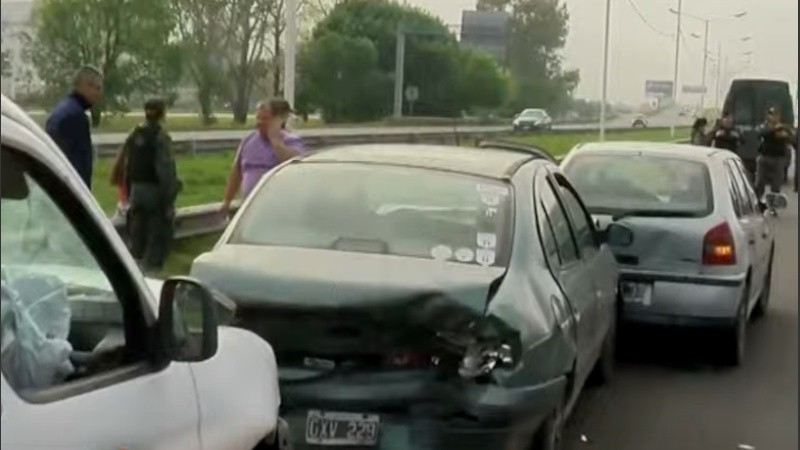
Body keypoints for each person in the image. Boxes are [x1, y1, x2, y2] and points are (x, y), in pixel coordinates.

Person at [112, 99, 181, 272]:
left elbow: (126, 165)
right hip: (155, 192)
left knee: (137, 237)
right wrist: (169, 200)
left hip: (136, 192)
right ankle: (152, 275)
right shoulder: (161, 137)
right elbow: (165, 171)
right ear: (163, 113)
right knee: (158, 238)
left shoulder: (135, 133)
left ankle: (136, 272)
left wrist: (128, 193)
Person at [220, 98, 306, 216]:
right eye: (258, 118)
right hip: (249, 210)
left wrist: (275, 141)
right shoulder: (249, 140)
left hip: (278, 212)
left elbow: (296, 166)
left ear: (278, 121)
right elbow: (237, 171)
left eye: (265, 119)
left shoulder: (291, 141)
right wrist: (227, 201)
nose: (259, 122)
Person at [45, 66, 103, 188]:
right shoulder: (75, 116)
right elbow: (78, 165)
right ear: (86, 86)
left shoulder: (62, 110)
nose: (99, 94)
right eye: (97, 88)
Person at [755, 108, 794, 214]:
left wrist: (785, 134)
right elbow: (760, 133)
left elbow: (792, 137)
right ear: (768, 116)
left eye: (776, 115)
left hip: (778, 158)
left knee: (776, 184)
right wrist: (773, 129)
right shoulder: (765, 125)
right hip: (764, 157)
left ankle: (772, 206)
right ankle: (757, 202)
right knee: (759, 182)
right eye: (772, 114)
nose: (774, 117)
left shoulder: (783, 127)